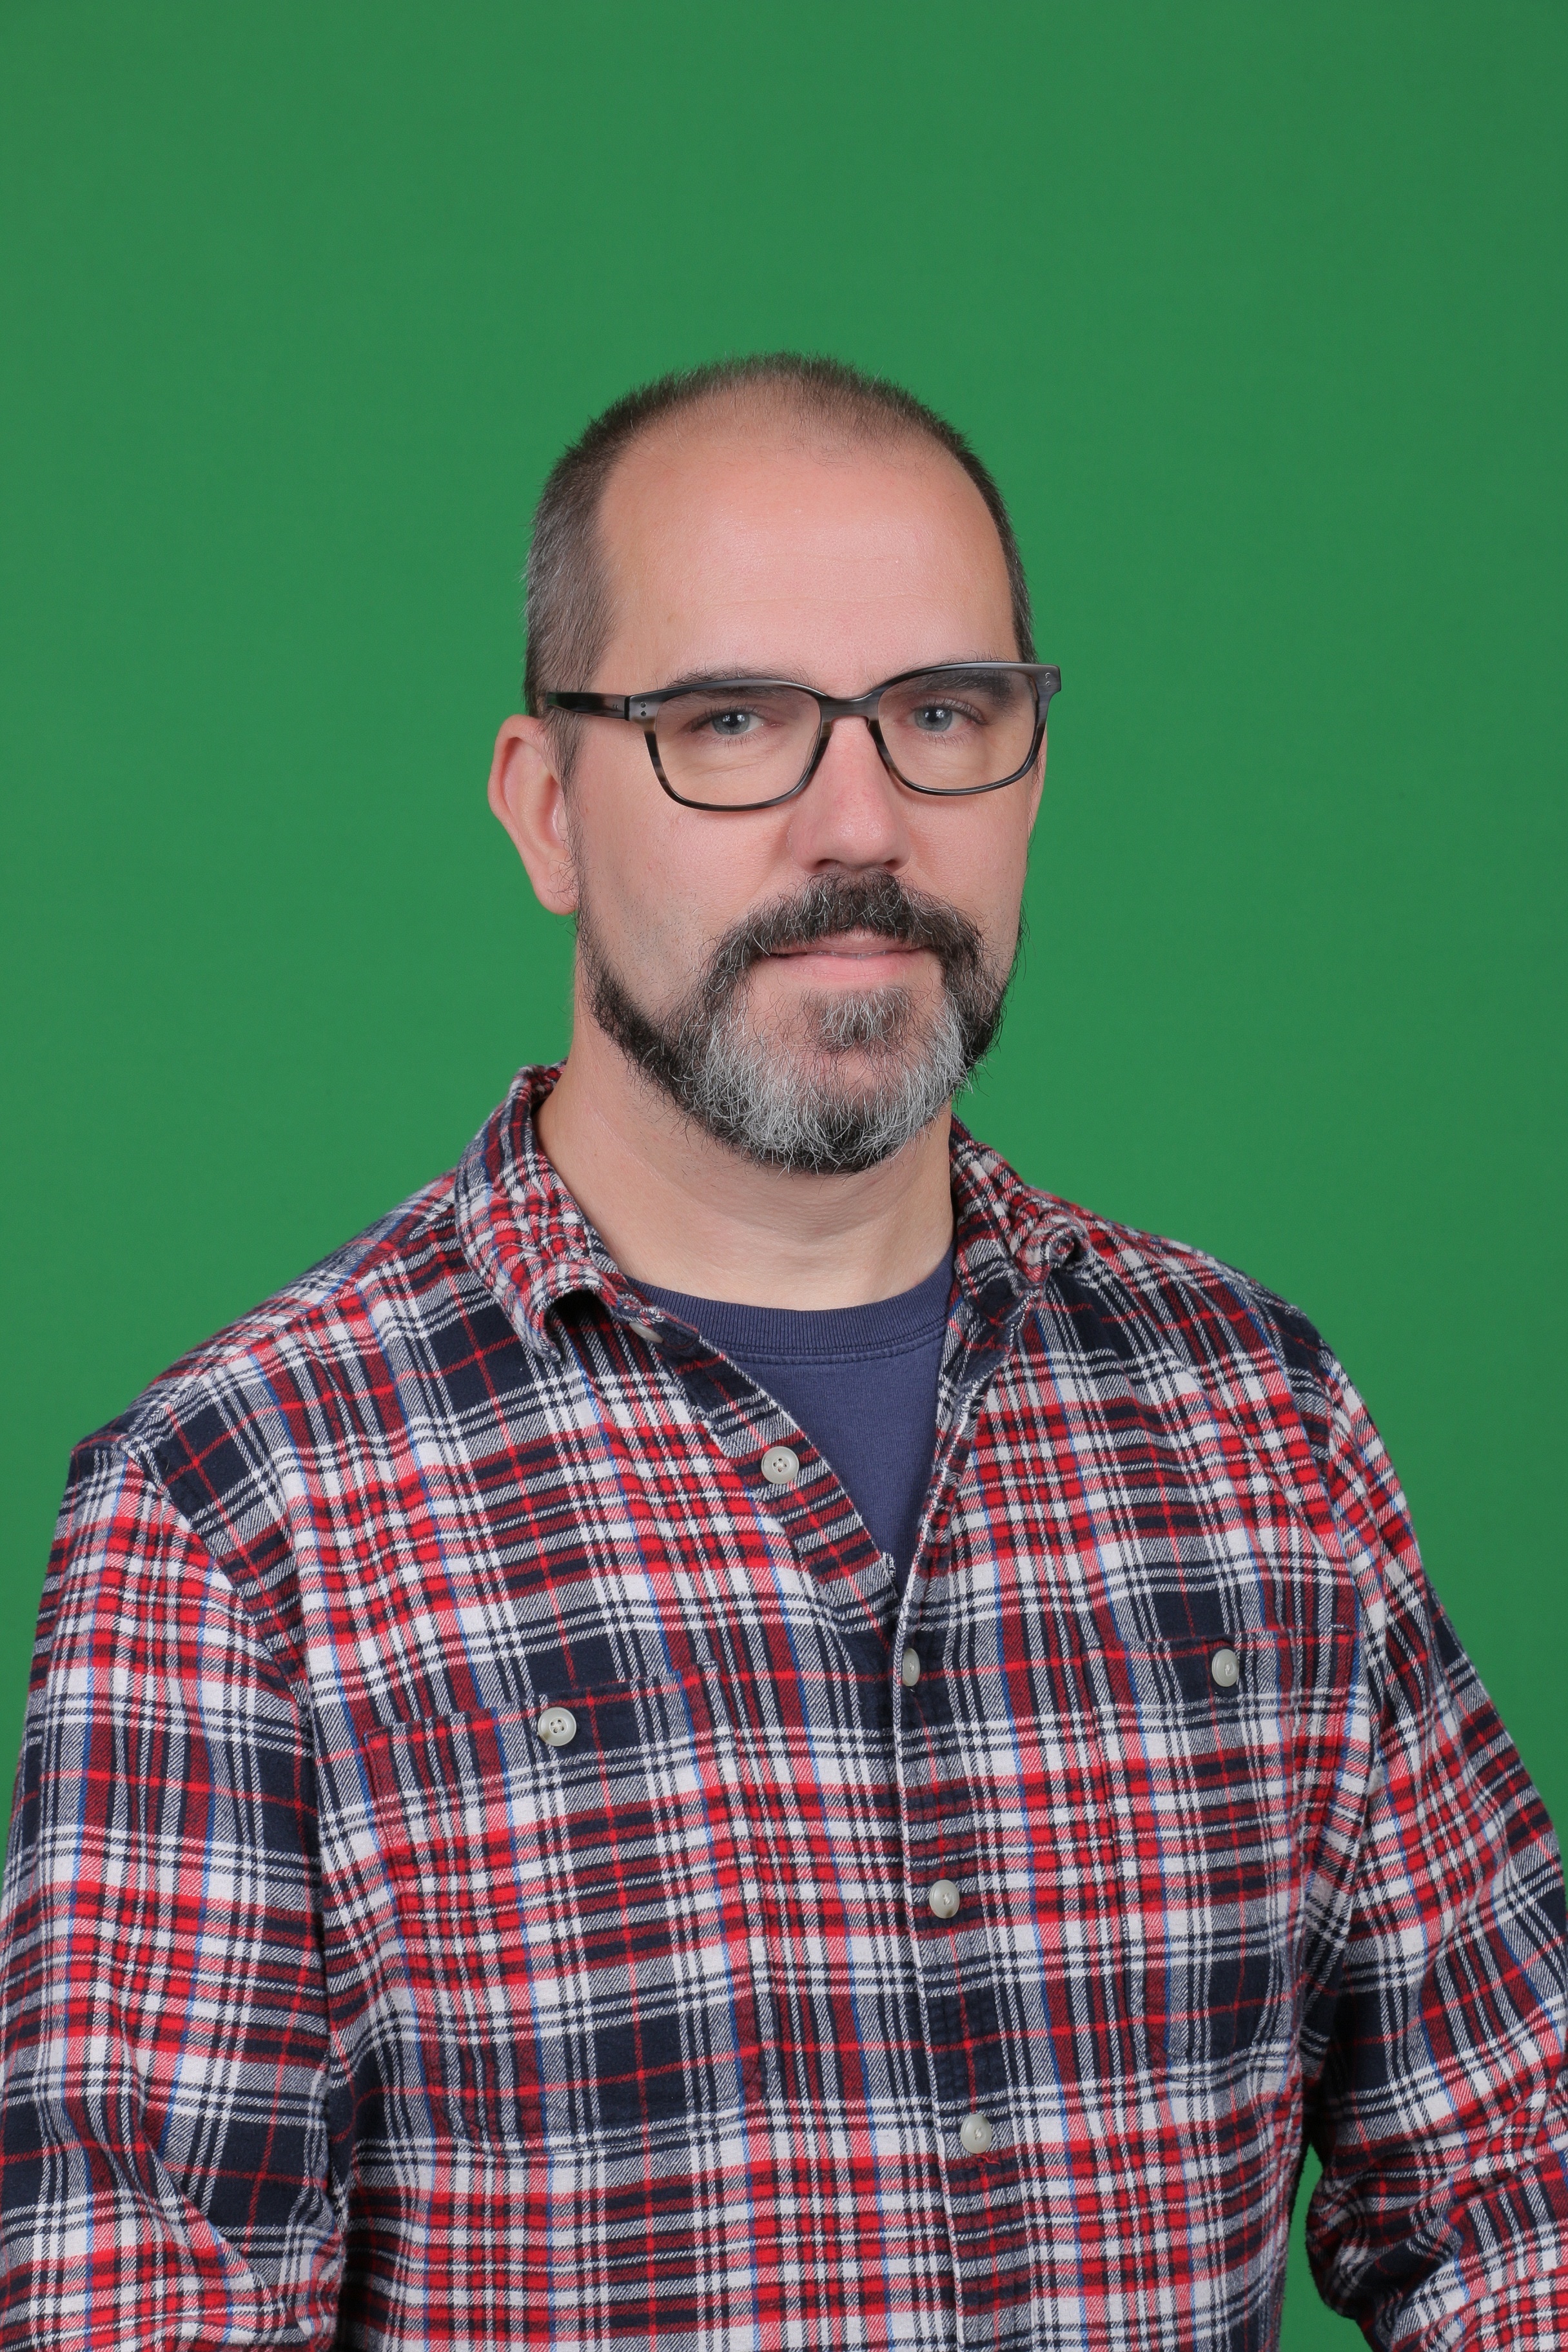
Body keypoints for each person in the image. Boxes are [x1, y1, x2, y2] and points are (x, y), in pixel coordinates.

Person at [1, 353, 1563, 2352]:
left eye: (943, 714)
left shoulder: (1259, 1420)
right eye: (730, 720)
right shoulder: (234, 1516)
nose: (862, 821)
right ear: (547, 809)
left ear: (1031, 772)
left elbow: (1518, 2187)